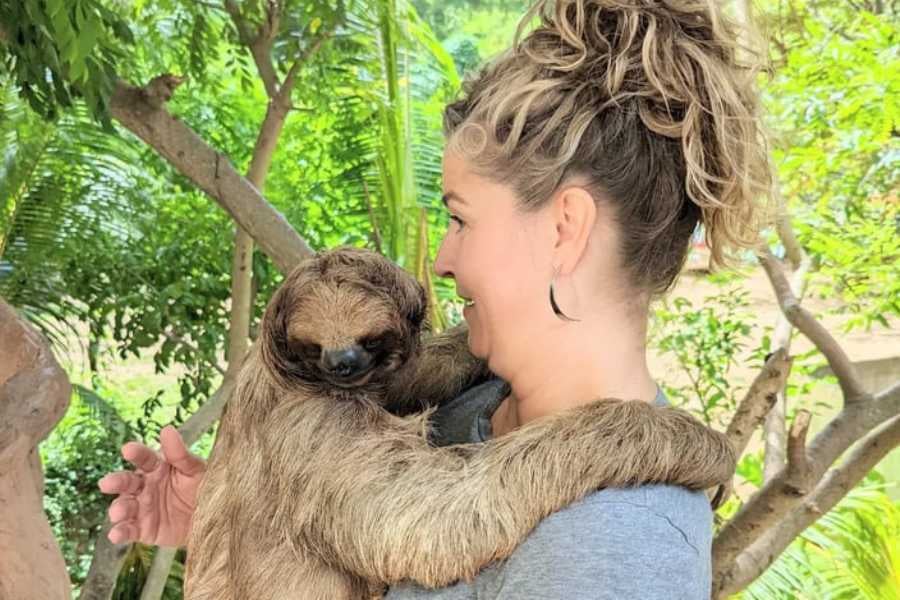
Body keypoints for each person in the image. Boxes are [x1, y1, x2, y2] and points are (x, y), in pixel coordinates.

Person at [99, 0, 770, 597]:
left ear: (566, 229)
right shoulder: (466, 399)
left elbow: (445, 522)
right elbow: (388, 525)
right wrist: (242, 514)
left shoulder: (616, 551)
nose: (442, 260)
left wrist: (657, 438)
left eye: (460, 219)